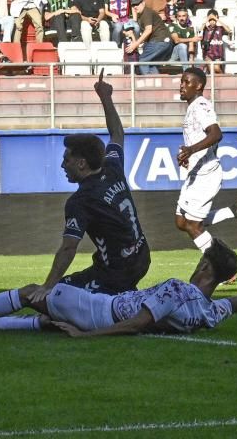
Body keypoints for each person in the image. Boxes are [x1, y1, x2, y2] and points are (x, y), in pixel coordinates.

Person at [0, 239, 237, 336]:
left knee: (37, 292)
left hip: (102, 313)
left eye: (204, 258)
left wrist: (88, 337)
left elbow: (138, 324)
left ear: (205, 267)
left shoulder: (179, 291)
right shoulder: (210, 312)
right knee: (49, 319)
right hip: (106, 308)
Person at [17, 79, 150, 298]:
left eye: (66, 160)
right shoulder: (113, 165)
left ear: (81, 163)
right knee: (80, 311)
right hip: (141, 258)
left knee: (58, 298)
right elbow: (117, 133)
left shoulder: (82, 200)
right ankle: (123, 299)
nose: (62, 165)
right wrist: (105, 97)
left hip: (115, 272)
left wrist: (48, 286)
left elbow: (69, 248)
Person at [172, 68, 237, 257]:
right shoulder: (193, 107)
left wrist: (191, 150)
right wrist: (189, 157)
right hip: (196, 172)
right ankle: (233, 211)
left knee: (193, 225)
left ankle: (221, 266)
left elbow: (216, 134)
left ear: (198, 86)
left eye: (186, 82)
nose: (182, 85)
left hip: (206, 175)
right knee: (181, 222)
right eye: (181, 81)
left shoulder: (201, 106)